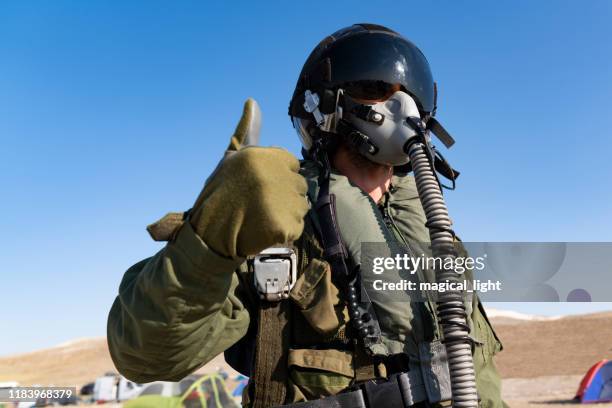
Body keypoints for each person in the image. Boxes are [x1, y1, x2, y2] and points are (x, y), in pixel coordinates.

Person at [107, 23, 505, 407]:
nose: (403, 106)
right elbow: (144, 356)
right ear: (325, 104)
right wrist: (211, 237)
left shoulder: (438, 239)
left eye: (413, 95)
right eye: (375, 89)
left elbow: (480, 377)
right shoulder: (270, 226)